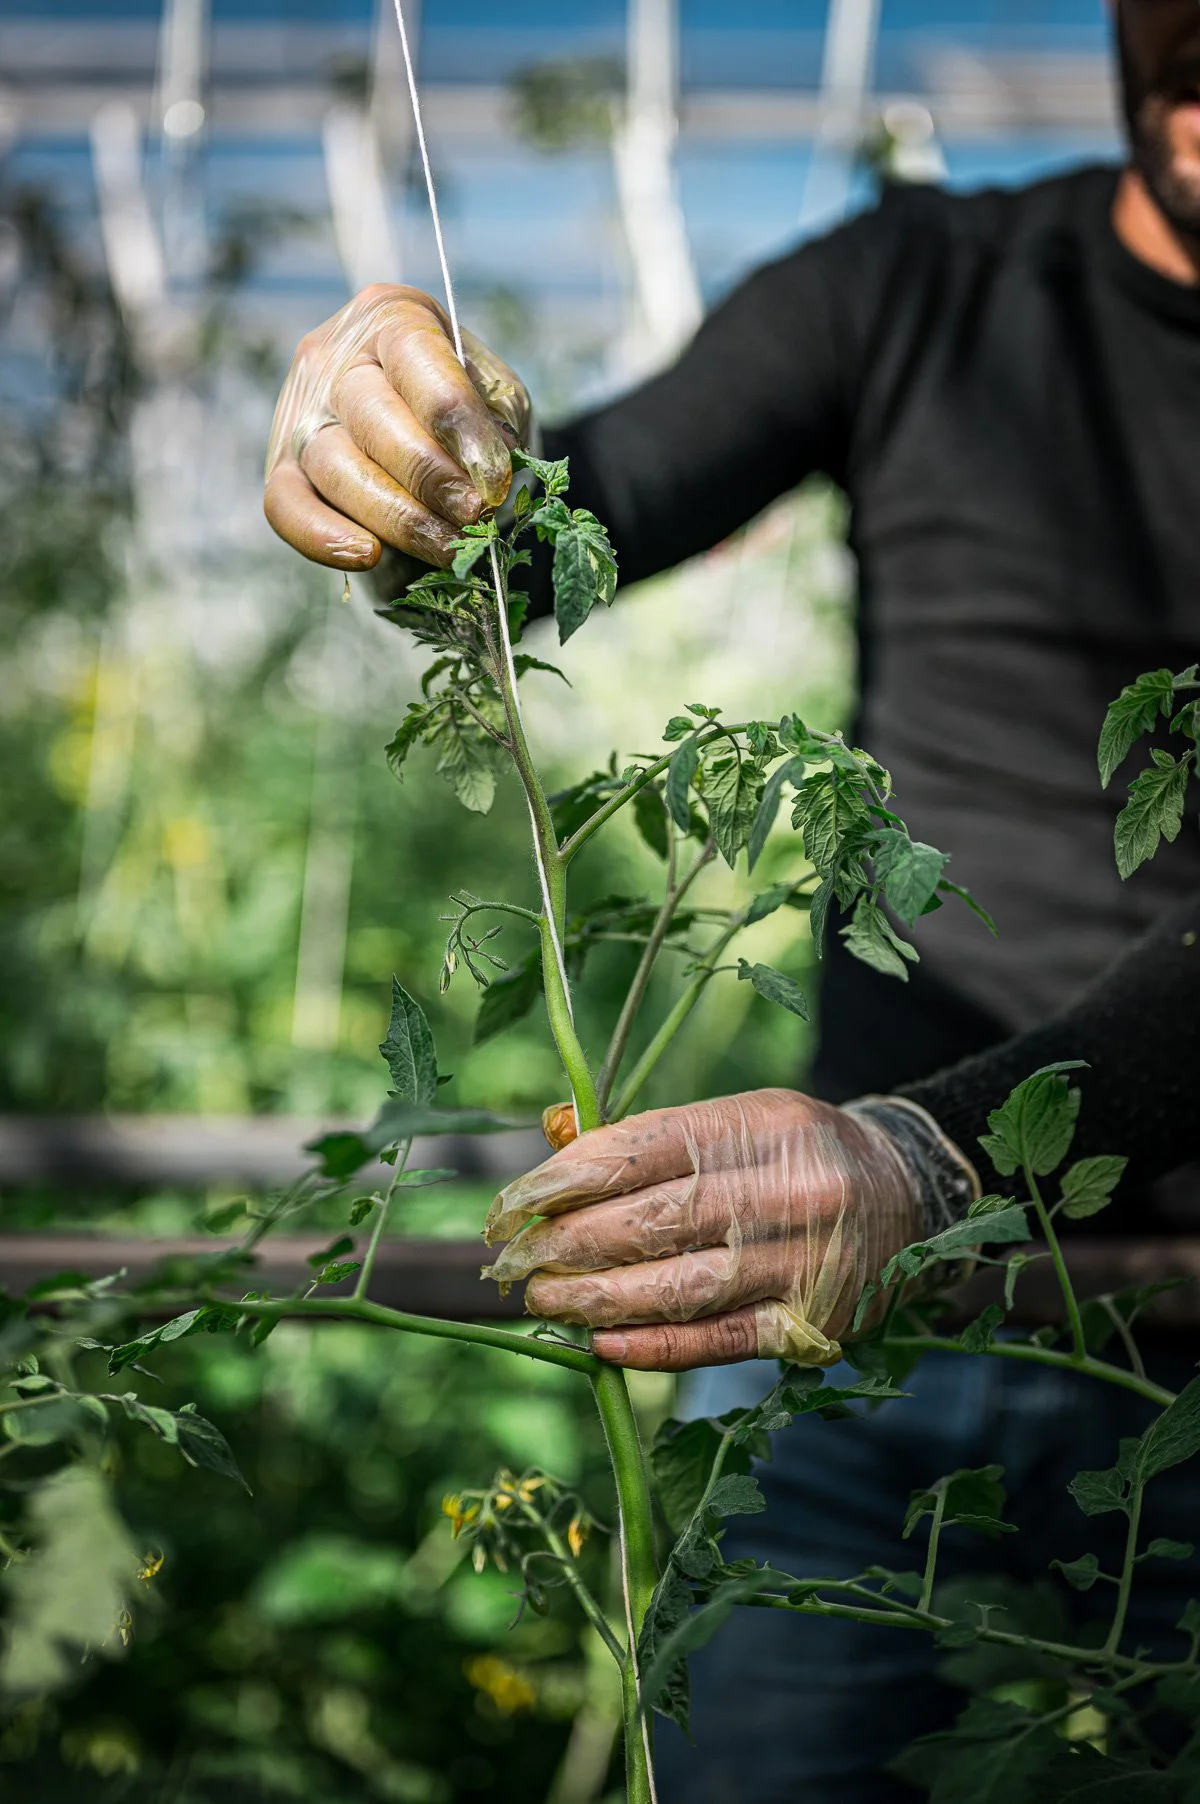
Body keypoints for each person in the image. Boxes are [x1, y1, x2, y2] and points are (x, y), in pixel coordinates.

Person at [263, 2, 1200, 1793]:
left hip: (1034, 1272)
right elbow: (549, 536)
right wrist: (401, 450)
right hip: (848, 1322)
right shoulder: (927, 282)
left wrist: (934, 1166)